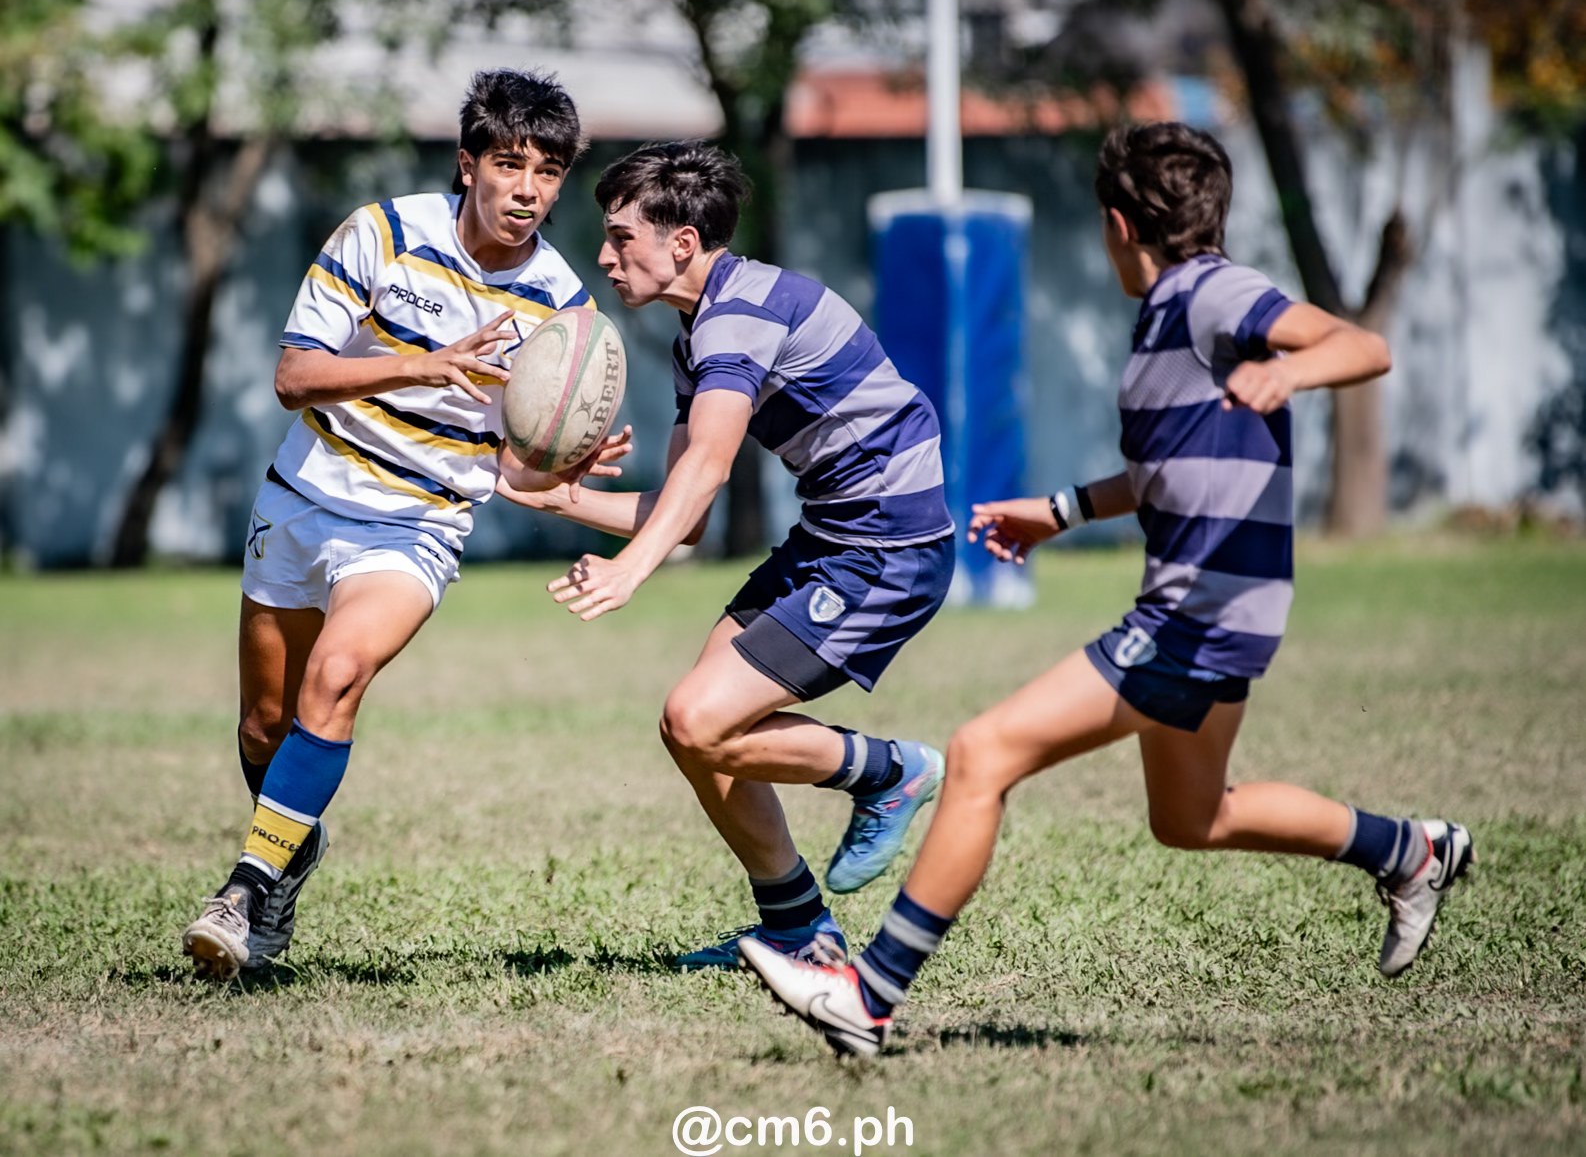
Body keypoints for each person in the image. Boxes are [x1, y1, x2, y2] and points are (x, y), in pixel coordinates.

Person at [740, 121, 1475, 1056]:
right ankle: (1410, 851)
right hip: (1232, 612)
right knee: (1192, 817)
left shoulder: (1211, 291)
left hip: (1194, 612)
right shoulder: (1173, 317)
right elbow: (1172, 467)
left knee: (980, 753)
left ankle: (870, 997)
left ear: (1118, 225)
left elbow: (1360, 345)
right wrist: (1062, 507)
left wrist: (1287, 367)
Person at [181, 68, 630, 981]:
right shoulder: (381, 234)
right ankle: (291, 849)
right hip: (305, 495)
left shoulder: (563, 307)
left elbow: (508, 468)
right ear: (469, 166)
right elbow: (295, 376)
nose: (529, 188)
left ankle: (245, 885)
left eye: (549, 171)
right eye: (510, 163)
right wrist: (421, 366)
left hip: (418, 525)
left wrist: (561, 464)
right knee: (267, 725)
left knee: (337, 677)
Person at [497, 140, 955, 971]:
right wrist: (549, 492)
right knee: (693, 730)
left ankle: (891, 770)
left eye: (620, 235)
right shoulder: (695, 334)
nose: (604, 255)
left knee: (697, 717)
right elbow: (688, 510)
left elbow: (707, 468)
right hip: (835, 534)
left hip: (890, 542)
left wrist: (629, 570)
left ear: (681, 242)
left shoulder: (740, 313)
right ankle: (798, 931)